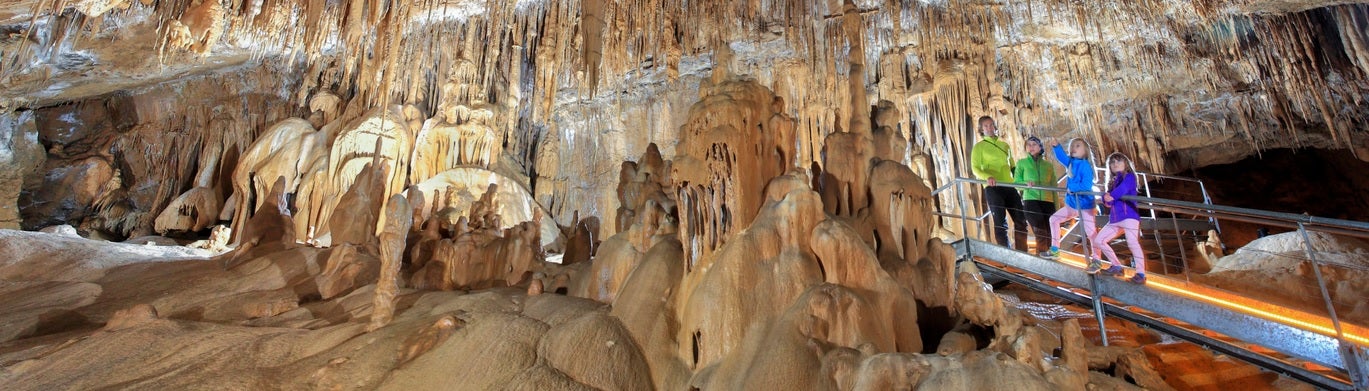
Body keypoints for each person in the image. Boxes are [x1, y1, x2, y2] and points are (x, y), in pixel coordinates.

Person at [971, 116, 1028, 251]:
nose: (989, 128)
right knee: (1000, 223)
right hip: (993, 187)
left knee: (1021, 220)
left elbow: (1013, 167)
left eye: (991, 125)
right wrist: (987, 176)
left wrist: (1021, 182)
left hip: (1009, 186)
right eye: (986, 126)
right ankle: (1006, 253)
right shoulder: (979, 147)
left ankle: (1022, 252)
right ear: (981, 129)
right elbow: (975, 168)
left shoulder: (1005, 145)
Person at [1088, 153, 1147, 284]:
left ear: (1126, 163)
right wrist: (1106, 198)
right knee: (1099, 240)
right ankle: (1116, 266)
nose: (1115, 164)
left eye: (1119, 161)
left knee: (1132, 243)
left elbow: (1123, 189)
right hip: (1115, 219)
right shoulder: (1112, 182)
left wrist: (1111, 196)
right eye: (1112, 162)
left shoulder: (1129, 176)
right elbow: (1107, 200)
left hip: (1129, 216)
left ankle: (1141, 273)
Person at [1042, 137, 1096, 259]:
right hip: (1072, 204)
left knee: (1091, 232)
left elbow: (1086, 185)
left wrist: (1073, 188)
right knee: (1054, 219)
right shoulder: (1071, 163)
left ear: (1086, 150)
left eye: (1077, 146)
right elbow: (1062, 157)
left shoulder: (1085, 166)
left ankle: (1096, 258)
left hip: (1085, 206)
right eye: (1072, 146)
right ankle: (1055, 249)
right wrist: (1056, 146)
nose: (1073, 148)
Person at [1014, 136, 1055, 253]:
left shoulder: (1048, 166)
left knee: (1050, 233)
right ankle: (1041, 259)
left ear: (1040, 147)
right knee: (1041, 231)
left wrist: (1056, 207)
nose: (1031, 147)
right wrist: (1025, 183)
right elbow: (1016, 183)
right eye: (1028, 145)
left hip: (1048, 201)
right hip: (1031, 200)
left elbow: (1054, 188)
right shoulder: (1022, 163)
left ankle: (1049, 258)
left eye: (1034, 144)